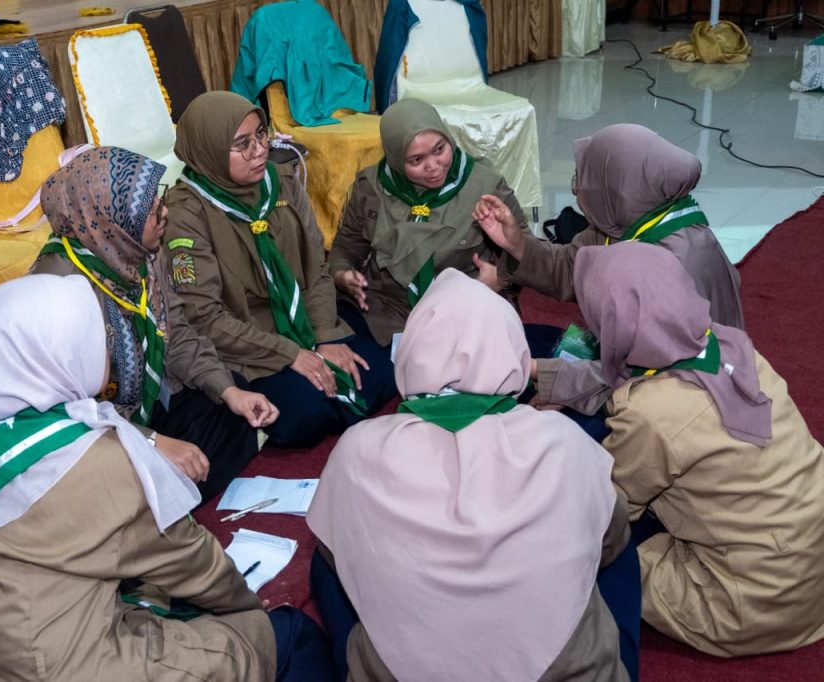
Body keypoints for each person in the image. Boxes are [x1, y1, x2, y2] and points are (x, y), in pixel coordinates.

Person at [0, 274, 335, 681]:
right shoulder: (101, 462)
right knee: (289, 636)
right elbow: (194, 566)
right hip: (73, 667)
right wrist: (247, 611)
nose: (109, 348)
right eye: (96, 338)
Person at [307, 269, 640, 681]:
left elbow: (337, 554)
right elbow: (610, 541)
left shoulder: (357, 450)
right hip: (565, 670)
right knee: (611, 533)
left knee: (327, 554)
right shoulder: (563, 441)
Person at [573, 242, 824, 657]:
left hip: (753, 606)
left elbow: (608, 511)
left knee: (592, 548)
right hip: (813, 572)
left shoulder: (649, 413)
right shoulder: (739, 350)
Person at [33, 147, 278, 501]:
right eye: (151, 210)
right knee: (113, 484)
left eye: (160, 199)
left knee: (232, 400)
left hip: (144, 404)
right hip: (92, 432)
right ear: (114, 219)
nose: (165, 213)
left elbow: (177, 335)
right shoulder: (58, 292)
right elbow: (66, 413)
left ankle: (162, 492)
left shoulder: (138, 252)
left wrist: (229, 391)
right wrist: (151, 442)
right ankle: (153, 496)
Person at [163, 91, 397, 448]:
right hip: (247, 341)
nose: (259, 150)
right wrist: (291, 354)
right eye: (242, 144)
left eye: (261, 134)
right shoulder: (185, 214)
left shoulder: (282, 181)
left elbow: (317, 267)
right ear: (209, 150)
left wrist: (325, 337)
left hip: (303, 319)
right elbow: (205, 318)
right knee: (304, 417)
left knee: (381, 375)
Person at [475, 123, 745, 413]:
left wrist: (552, 380)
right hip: (634, 365)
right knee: (521, 344)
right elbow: (572, 267)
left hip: (682, 395)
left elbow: (645, 375)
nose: (577, 189)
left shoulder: (671, 266)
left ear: (617, 187)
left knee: (535, 417)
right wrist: (518, 244)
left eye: (584, 180)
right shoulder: (629, 218)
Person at [328, 97, 529, 350]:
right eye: (416, 160)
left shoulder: (485, 186)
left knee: (487, 364)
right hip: (387, 311)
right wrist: (342, 274)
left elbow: (529, 252)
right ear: (395, 158)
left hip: (465, 307)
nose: (433, 166)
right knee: (342, 355)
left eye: (439, 149)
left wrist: (501, 279)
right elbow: (346, 248)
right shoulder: (372, 188)